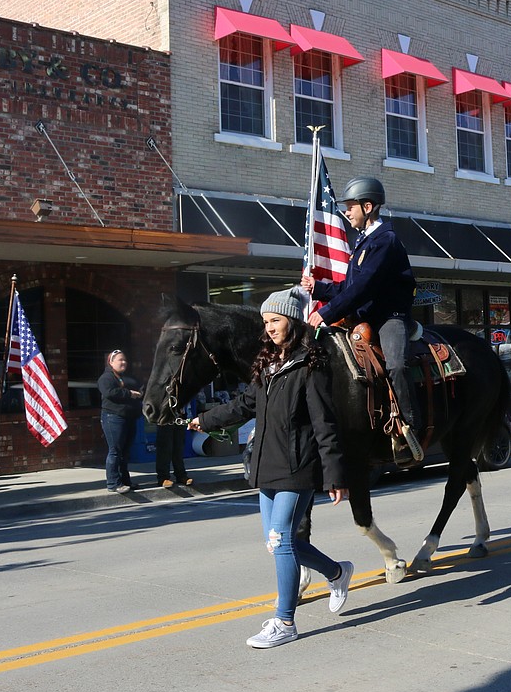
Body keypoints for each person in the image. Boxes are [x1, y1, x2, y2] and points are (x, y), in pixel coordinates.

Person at [189, 287, 354, 649]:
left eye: (275, 321)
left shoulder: (312, 365)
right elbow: (243, 405)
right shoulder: (267, 364)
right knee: (281, 542)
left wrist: (335, 474)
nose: (270, 328)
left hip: (298, 467)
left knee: (281, 541)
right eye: (266, 322)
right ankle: (337, 572)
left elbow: (325, 422)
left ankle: (284, 621)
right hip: (267, 466)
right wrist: (204, 419)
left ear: (292, 321)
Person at [301, 176, 422, 467]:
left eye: (351, 206)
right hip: (364, 317)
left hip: (389, 317)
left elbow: (363, 288)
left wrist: (325, 313)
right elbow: (348, 288)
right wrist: (319, 289)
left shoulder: (386, 241)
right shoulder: (364, 242)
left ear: (368, 206)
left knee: (395, 364)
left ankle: (409, 428)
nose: (347, 212)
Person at [99, 349, 143, 493]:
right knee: (115, 451)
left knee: (125, 452)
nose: (123, 362)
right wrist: (129, 393)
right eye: (120, 360)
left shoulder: (128, 378)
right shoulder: (106, 378)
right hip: (113, 418)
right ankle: (113, 483)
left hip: (129, 418)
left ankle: (125, 481)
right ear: (111, 362)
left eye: (125, 360)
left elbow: (140, 386)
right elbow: (110, 392)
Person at [155, 419, 191, 489]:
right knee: (164, 449)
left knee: (178, 447)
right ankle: (163, 478)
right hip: (164, 418)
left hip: (178, 418)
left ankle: (181, 475)